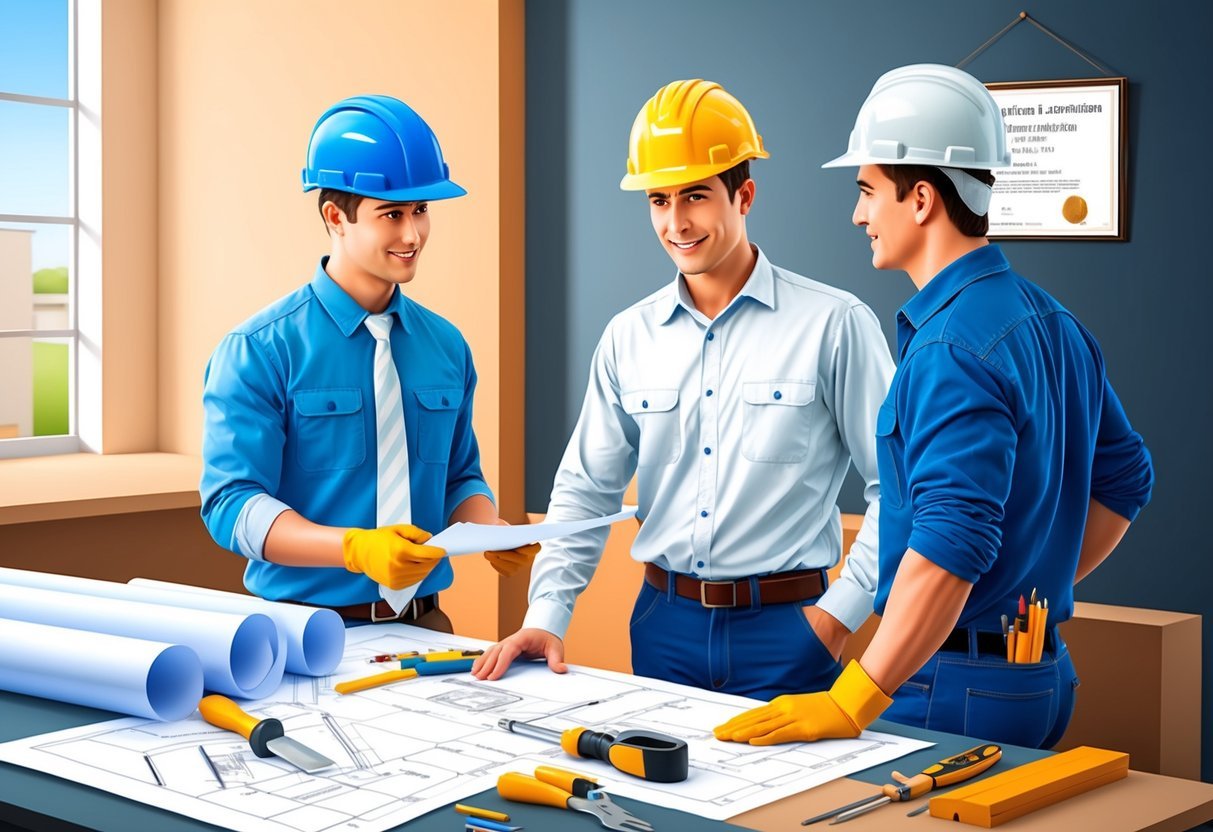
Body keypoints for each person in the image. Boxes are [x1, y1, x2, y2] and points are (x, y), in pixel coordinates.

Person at [714, 64, 1153, 748]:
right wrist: (1021, 583)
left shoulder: (949, 347)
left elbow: (948, 545)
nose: (857, 214)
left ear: (920, 199)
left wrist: (852, 698)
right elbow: (1125, 481)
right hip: (1038, 674)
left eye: (866, 191)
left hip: (948, 683)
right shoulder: (1053, 320)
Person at [472, 80, 895, 699]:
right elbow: (586, 490)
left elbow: (900, 484)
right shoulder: (627, 336)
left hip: (790, 628)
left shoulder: (835, 323)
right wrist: (546, 616)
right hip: (662, 626)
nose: (676, 222)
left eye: (695, 196)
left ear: (743, 194)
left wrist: (837, 618)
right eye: (659, 200)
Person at [200, 95, 537, 631]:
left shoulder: (446, 346)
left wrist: (490, 529)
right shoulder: (259, 349)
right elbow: (231, 505)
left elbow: (459, 476)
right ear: (336, 217)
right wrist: (353, 548)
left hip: (427, 628)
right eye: (392, 214)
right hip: (301, 635)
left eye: (421, 211)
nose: (413, 235)